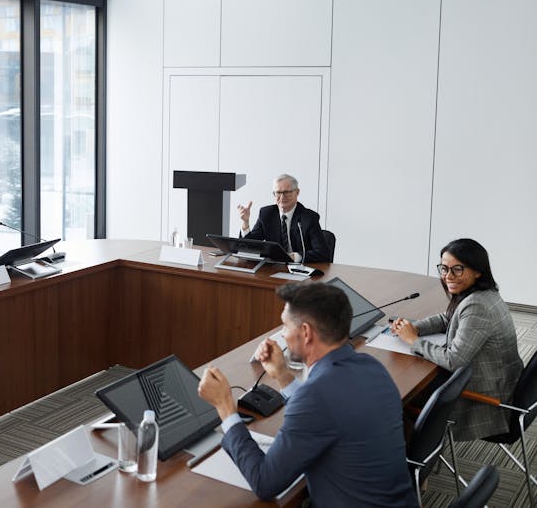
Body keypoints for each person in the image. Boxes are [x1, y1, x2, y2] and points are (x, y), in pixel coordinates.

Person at [198, 282, 417, 507]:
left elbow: (265, 482)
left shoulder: (316, 396)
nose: (283, 334)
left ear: (305, 332)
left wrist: (225, 408)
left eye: (284, 325)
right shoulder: (372, 367)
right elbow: (328, 411)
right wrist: (283, 376)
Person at [391, 238, 521, 441]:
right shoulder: (482, 293)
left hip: (486, 402)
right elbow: (448, 318)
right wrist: (415, 327)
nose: (448, 276)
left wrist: (414, 340)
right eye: (444, 269)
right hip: (496, 383)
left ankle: (414, 453)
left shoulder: (478, 306)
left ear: (477, 271)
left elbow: (454, 360)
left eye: (457, 269)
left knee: (396, 397)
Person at [237, 174, 331, 263]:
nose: (282, 197)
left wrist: (295, 257)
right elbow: (250, 246)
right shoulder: (267, 214)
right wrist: (245, 222)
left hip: (301, 268)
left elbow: (322, 253)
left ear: (297, 192)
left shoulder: (309, 217)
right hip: (273, 268)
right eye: (278, 192)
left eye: (286, 192)